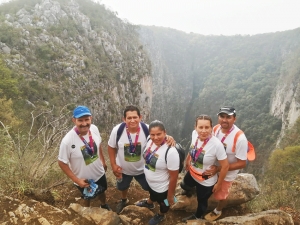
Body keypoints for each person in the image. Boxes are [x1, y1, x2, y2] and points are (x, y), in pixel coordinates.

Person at [107, 105, 175, 214]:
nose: (132, 120)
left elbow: (158, 135)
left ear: (140, 117)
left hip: (143, 170)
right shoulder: (117, 131)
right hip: (123, 169)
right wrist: (113, 164)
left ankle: (153, 204)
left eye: (135, 117)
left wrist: (168, 137)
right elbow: (111, 147)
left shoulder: (146, 130)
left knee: (150, 188)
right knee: (123, 186)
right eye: (129, 118)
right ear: (124, 119)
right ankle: (124, 200)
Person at [58, 106, 111, 210]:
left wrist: (103, 161)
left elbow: (98, 144)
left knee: (102, 191)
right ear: (74, 120)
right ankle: (86, 211)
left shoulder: (94, 129)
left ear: (91, 118)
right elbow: (61, 162)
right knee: (87, 196)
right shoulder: (68, 141)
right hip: (83, 178)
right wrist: (77, 180)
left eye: (86, 119)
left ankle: (104, 205)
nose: (84, 123)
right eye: (80, 120)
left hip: (99, 173)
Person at [181, 115, 229, 222]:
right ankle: (190, 191)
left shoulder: (217, 145)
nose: (203, 131)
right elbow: (193, 147)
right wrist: (188, 159)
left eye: (207, 127)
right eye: (200, 127)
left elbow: (225, 166)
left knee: (202, 200)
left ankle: (198, 215)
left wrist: (219, 184)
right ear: (195, 127)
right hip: (193, 172)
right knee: (184, 185)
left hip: (206, 179)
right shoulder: (194, 134)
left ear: (211, 128)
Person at [204, 107, 248, 221]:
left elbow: (242, 163)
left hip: (227, 173)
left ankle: (218, 210)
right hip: (213, 167)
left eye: (228, 117)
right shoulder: (216, 128)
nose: (224, 120)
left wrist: (219, 169)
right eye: (222, 116)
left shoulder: (240, 138)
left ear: (234, 119)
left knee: (221, 195)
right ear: (218, 118)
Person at [139, 120, 179, 225]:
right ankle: (149, 203)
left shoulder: (171, 152)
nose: (155, 137)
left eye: (159, 134)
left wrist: (170, 195)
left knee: (164, 203)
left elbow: (174, 177)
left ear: (165, 132)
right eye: (153, 134)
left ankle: (161, 215)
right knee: (152, 193)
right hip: (151, 183)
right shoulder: (149, 140)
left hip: (163, 188)